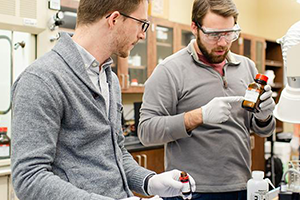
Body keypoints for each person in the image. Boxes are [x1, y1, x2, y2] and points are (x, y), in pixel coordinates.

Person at [11, 0, 196, 200]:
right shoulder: (42, 80)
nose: (142, 34)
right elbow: (29, 178)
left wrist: (149, 181)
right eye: (141, 24)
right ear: (114, 19)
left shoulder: (109, 79)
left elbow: (115, 152)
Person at [138, 0, 276, 199]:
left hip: (241, 185)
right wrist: (198, 116)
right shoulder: (170, 70)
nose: (222, 43)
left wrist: (264, 117)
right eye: (213, 35)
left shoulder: (247, 67)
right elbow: (146, 131)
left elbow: (262, 130)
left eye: (229, 34)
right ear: (194, 27)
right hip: (191, 191)